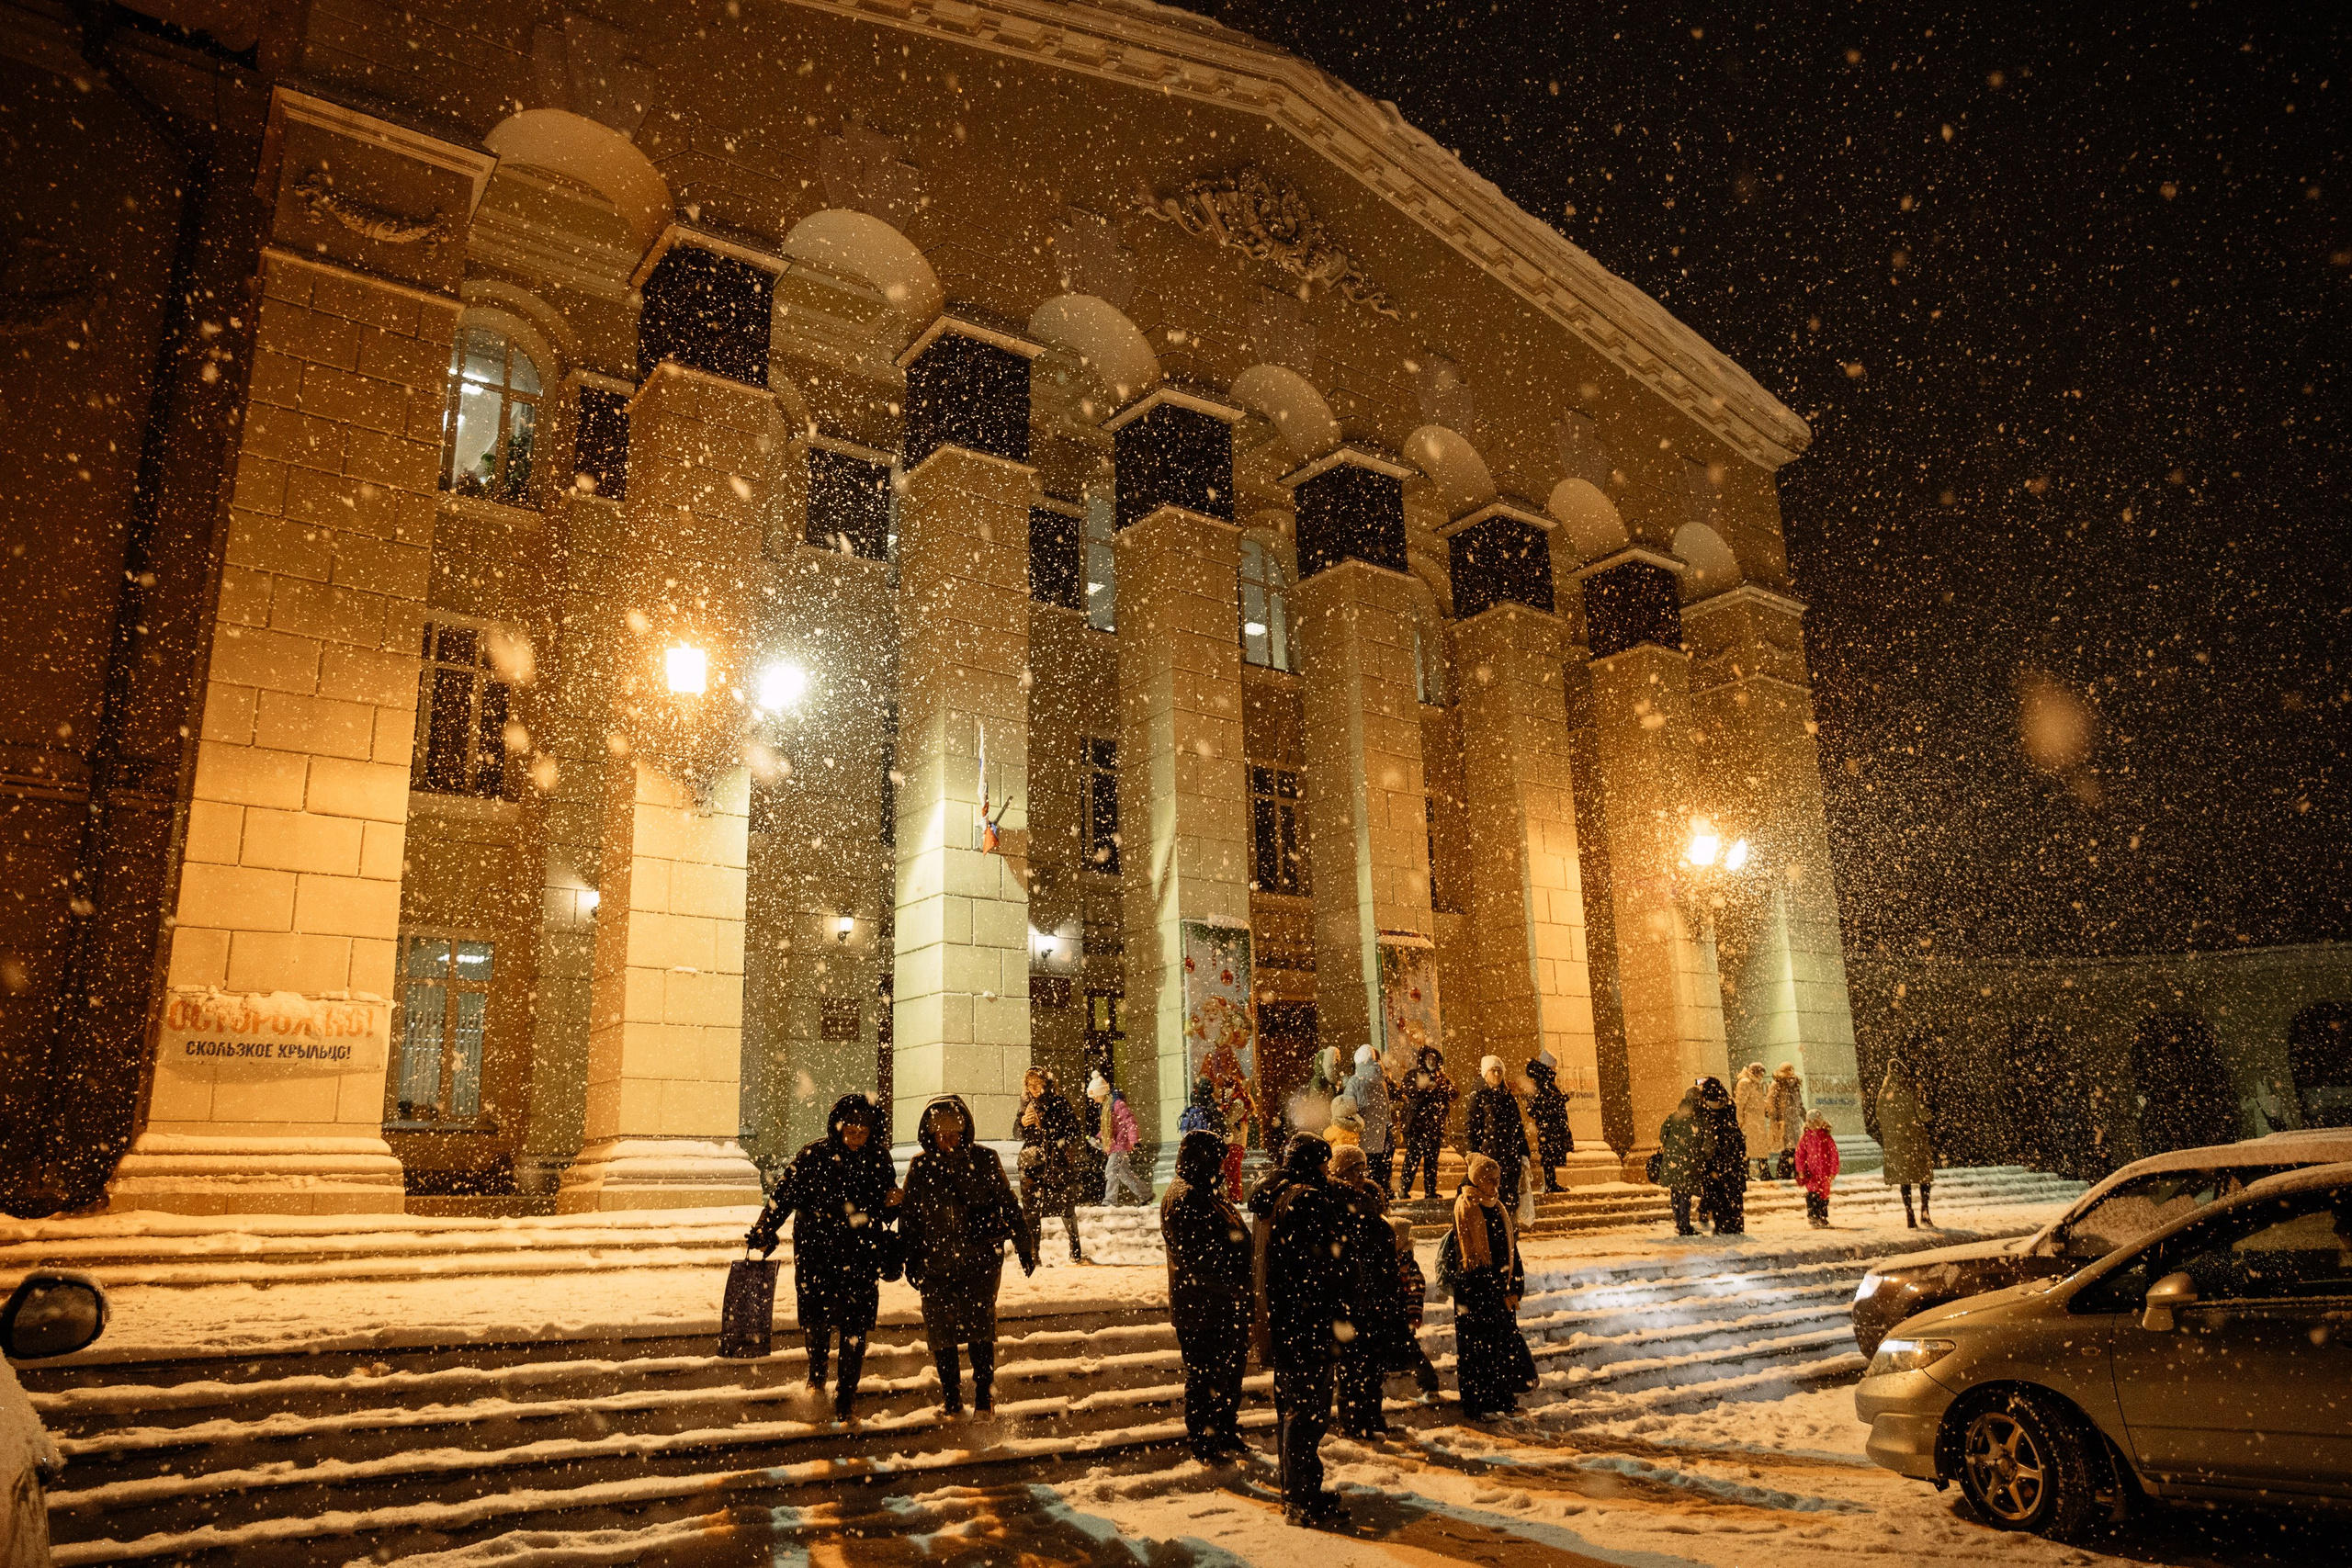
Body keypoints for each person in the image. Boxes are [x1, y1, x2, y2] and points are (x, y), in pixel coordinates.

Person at [744, 1093, 899, 1423]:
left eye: (863, 1133)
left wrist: (893, 1203)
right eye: (851, 1132)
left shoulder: (878, 1158)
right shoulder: (814, 1155)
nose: (856, 1139)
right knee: (816, 1321)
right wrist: (764, 1229)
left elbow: (886, 1204)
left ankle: (846, 1394)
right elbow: (782, 1197)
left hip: (861, 1255)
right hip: (818, 1254)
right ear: (838, 1128)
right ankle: (816, 1379)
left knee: (855, 1327)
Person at [899, 1094, 1037, 1416]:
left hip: (980, 1262)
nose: (947, 1141)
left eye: (954, 1134)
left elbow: (1008, 1204)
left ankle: (982, 1395)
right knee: (941, 1333)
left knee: (979, 1330)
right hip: (935, 1263)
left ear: (965, 1131)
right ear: (930, 1135)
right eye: (940, 1135)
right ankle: (951, 1397)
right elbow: (909, 1217)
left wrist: (1024, 1245)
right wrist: (908, 1258)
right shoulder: (921, 1166)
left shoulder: (985, 1160)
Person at [1250, 1133, 1353, 1529]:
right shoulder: (1306, 1200)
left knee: (1292, 1411)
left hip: (1283, 1323)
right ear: (1313, 1162)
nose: (1328, 1171)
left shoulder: (1270, 1197)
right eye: (1324, 1163)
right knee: (1306, 1414)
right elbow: (1323, 1268)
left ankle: (1297, 1489)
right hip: (1307, 1324)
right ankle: (1301, 1498)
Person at [1160, 1128, 1251, 1463]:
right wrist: (1233, 1283)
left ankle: (1225, 1431)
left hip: (1223, 1304)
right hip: (1203, 1308)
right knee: (1205, 1378)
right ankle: (1205, 1440)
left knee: (1227, 1376)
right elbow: (1199, 1258)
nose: (1223, 1164)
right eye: (1218, 1157)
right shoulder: (1185, 1196)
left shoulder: (1207, 1191)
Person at [1327, 1144, 1403, 1438]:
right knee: (1353, 1365)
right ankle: (1354, 1421)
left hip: (1378, 1292)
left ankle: (1373, 1415)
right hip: (1354, 1293)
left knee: (1373, 1363)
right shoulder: (1337, 1202)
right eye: (1352, 1169)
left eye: (1362, 1168)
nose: (1359, 1174)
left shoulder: (1371, 1197)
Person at [1452, 1153, 1528, 1420]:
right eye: (1489, 1179)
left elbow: (1510, 1249)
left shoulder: (1498, 1207)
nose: (1495, 1185)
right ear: (1476, 1179)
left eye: (1497, 1179)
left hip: (1499, 1290)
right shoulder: (1465, 1207)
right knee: (1476, 1351)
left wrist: (1515, 1284)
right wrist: (1485, 1285)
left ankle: (1502, 1398)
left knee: (1501, 1346)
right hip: (1475, 1293)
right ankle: (1477, 1403)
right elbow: (1463, 1258)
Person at [1016, 1066, 1089, 1264]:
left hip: (1057, 1163)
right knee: (1031, 1212)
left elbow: (1074, 1129)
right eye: (1031, 1086)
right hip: (1032, 1162)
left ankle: (1075, 1250)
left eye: (1038, 1085)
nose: (1035, 1090)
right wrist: (1023, 1122)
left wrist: (1055, 1136)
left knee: (1066, 1207)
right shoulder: (1025, 1103)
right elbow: (1016, 1132)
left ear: (1046, 1084)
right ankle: (1033, 1255)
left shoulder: (1058, 1102)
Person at [1464, 1055, 1532, 1211]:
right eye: (1493, 1070)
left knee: (1510, 1200)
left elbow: (1517, 1128)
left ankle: (1510, 1232)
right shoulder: (1478, 1097)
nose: (1496, 1074)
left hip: (1510, 1158)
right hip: (1489, 1158)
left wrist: (1523, 1152)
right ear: (1485, 1073)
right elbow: (1471, 1128)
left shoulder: (1508, 1098)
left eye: (1499, 1071)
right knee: (1490, 1200)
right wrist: (1473, 1155)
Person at [1878, 1056, 1937, 1227]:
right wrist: (1925, 1106)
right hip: (1915, 1140)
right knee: (1923, 1178)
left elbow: (1880, 1116)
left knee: (1905, 1180)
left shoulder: (1883, 1094)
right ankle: (1925, 1212)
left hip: (1897, 1144)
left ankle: (1909, 1213)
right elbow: (1923, 1115)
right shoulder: (1909, 1091)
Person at [1388, 1214, 1442, 1397]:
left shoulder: (1408, 1262)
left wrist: (1414, 1312)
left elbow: (1416, 1290)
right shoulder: (1389, 1259)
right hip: (1393, 1312)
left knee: (1412, 1352)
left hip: (1403, 1313)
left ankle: (1429, 1385)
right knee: (1407, 1350)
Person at [1398, 1045, 1454, 1200]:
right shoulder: (1414, 1075)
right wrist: (1425, 1088)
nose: (1431, 1062)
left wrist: (1443, 1086)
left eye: (1434, 1059)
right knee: (1412, 1159)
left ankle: (1430, 1190)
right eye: (1429, 1059)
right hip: (1417, 1126)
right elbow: (1408, 1090)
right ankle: (1404, 1189)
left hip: (1434, 1126)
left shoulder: (1440, 1077)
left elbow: (1453, 1093)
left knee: (1431, 1161)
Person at [1693, 1075, 1748, 1235]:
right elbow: (1737, 1144)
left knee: (1720, 1198)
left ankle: (1725, 1225)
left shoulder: (1710, 1116)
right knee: (1731, 1200)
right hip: (1731, 1167)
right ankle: (1733, 1225)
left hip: (1720, 1168)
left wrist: (1710, 1167)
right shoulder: (1729, 1113)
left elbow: (1711, 1145)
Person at [1092, 1073, 1151, 1206]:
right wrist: (1098, 1138)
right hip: (1115, 1143)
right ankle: (1145, 1194)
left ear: (1101, 1093)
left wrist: (1134, 1140)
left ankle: (1109, 1201)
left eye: (1095, 1096)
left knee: (1111, 1171)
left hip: (1120, 1143)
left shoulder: (1116, 1104)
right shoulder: (1106, 1106)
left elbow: (1130, 1122)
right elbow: (1110, 1127)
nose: (1094, 1099)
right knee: (1125, 1174)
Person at [1346, 1044, 1395, 1194]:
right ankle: (1380, 1197)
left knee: (1364, 1173)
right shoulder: (1381, 1082)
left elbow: (1347, 1108)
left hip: (1362, 1136)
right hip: (1380, 1136)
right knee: (1377, 1171)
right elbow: (1386, 1107)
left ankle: (1368, 1199)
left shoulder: (1355, 1082)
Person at [1657, 1088, 1705, 1235]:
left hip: (1673, 1159)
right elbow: (1702, 1140)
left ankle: (1679, 1222)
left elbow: (1662, 1135)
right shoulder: (1696, 1119)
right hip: (1688, 1160)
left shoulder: (1674, 1116)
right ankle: (1684, 1225)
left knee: (1676, 1192)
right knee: (1685, 1193)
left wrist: (1672, 1146)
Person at [1524, 1049, 1573, 1193]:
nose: (1554, 1070)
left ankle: (1551, 1182)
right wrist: (1559, 1100)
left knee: (1550, 1153)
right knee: (1549, 1154)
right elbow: (1541, 1104)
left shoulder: (1542, 1080)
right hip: (1549, 1124)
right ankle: (1550, 1183)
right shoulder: (1542, 1081)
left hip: (1549, 1124)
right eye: (1553, 1067)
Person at [1792, 1109, 1840, 1228]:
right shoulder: (1806, 1138)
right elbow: (1800, 1155)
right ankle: (1814, 1215)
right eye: (1810, 1122)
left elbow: (1834, 1155)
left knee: (1823, 1195)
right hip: (1812, 1173)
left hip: (1824, 1173)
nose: (1813, 1125)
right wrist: (1801, 1170)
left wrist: (1833, 1171)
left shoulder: (1826, 1138)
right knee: (1813, 1193)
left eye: (1815, 1122)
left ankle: (1821, 1216)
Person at [1733, 1061, 1772, 1179]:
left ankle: (1764, 1172)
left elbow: (1756, 1101)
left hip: (1756, 1121)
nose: (1762, 1076)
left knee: (1760, 1149)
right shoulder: (1745, 1083)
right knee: (1748, 1150)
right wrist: (1739, 1121)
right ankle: (1746, 1174)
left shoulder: (1754, 1083)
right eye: (1761, 1073)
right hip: (1749, 1121)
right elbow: (1740, 1104)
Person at [1765, 1062, 1805, 1172]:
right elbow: (1771, 1101)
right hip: (1784, 1120)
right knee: (1787, 1148)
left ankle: (1793, 1170)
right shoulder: (1777, 1084)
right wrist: (1775, 1117)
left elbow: (1799, 1103)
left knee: (1794, 1148)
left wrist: (1804, 1117)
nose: (1790, 1072)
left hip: (1793, 1119)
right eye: (1788, 1069)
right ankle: (1785, 1171)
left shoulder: (1794, 1085)